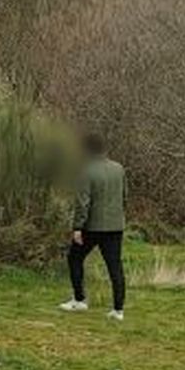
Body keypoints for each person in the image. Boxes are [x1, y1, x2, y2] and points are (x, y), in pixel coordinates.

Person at [60, 133, 127, 320]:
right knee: (115, 267)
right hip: (115, 226)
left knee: (74, 258)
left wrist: (77, 227)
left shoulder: (86, 171)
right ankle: (118, 310)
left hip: (92, 227)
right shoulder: (119, 168)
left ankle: (79, 300)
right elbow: (124, 196)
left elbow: (83, 203)